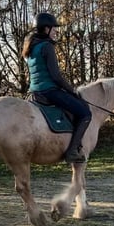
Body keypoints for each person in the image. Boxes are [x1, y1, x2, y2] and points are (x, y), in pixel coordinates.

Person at [22, 12, 92, 163]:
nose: (56, 31)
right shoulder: (47, 46)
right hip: (49, 91)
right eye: (54, 28)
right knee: (85, 112)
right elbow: (56, 77)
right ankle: (72, 152)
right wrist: (72, 91)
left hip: (34, 92)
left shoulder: (30, 48)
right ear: (46, 29)